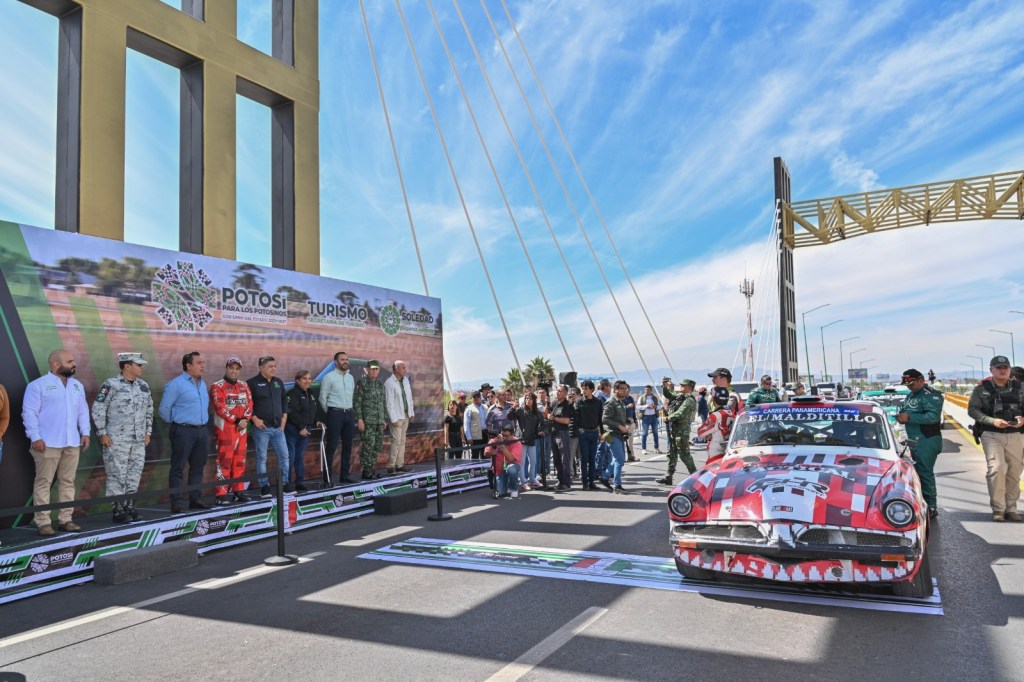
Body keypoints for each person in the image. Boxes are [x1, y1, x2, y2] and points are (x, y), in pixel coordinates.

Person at [23, 350, 90, 535]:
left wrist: (85, 432)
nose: (74, 364)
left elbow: (83, 411)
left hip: (72, 442)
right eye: (70, 361)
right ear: (56, 364)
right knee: (44, 482)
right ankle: (43, 522)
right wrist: (35, 437)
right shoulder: (38, 386)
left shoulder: (77, 386)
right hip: (47, 443)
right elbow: (29, 413)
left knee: (68, 481)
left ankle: (66, 519)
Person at [92, 352, 154, 522]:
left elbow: (149, 411)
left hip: (138, 440)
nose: (141, 368)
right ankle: (118, 510)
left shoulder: (143, 386)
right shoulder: (111, 384)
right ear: (127, 366)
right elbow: (98, 409)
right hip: (116, 440)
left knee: (134, 474)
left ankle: (129, 506)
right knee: (117, 474)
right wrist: (102, 433)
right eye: (138, 365)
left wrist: (148, 432)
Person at [967, 356, 1024, 522]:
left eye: (1005, 367)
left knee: (1014, 473)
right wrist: (992, 421)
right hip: (991, 434)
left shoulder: (1020, 388)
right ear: (991, 369)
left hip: (1015, 434)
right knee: (997, 468)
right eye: (998, 367)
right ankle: (999, 509)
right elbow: (973, 410)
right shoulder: (981, 389)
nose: (1002, 370)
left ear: (1009, 369)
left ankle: (1011, 508)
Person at [159, 351, 211, 513]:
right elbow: (164, 410)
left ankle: (195, 499)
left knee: (197, 468)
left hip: (201, 431)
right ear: (188, 366)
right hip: (183, 431)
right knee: (178, 468)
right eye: (199, 363)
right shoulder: (176, 384)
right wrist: (178, 422)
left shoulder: (202, 383)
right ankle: (177, 503)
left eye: (203, 362)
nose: (203, 366)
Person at [896, 368, 945, 519]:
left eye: (911, 383)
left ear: (921, 380)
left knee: (925, 473)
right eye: (907, 384)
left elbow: (933, 417)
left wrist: (909, 418)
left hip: (927, 439)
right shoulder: (911, 395)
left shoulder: (932, 396)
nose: (908, 386)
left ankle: (931, 507)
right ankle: (921, 503)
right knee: (916, 473)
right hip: (914, 440)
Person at [210, 356, 253, 505]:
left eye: (237, 368)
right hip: (225, 430)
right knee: (224, 462)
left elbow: (250, 404)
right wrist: (237, 420)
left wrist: (245, 420)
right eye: (231, 368)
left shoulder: (244, 385)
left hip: (242, 429)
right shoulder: (217, 386)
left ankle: (238, 491)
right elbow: (220, 407)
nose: (234, 371)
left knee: (240, 462)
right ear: (226, 368)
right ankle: (220, 494)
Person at [247, 355, 290, 495]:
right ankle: (264, 487)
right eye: (270, 366)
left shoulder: (278, 382)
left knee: (284, 456)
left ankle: (284, 484)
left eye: (275, 366)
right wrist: (254, 418)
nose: (274, 369)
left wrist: (284, 416)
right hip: (262, 429)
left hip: (278, 428)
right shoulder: (252, 383)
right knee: (262, 458)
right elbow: (247, 404)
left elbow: (284, 400)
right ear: (261, 367)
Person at [319, 351, 356, 485]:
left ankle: (344, 475)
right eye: (342, 359)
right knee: (332, 446)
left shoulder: (350, 378)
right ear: (336, 362)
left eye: (347, 359)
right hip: (335, 414)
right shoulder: (329, 377)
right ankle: (327, 478)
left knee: (348, 446)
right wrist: (331, 412)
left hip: (349, 414)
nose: (345, 361)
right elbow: (322, 398)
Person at [285, 369, 319, 492]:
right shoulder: (293, 393)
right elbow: (292, 412)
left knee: (299, 456)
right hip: (293, 429)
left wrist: (316, 421)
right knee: (290, 457)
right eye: (304, 379)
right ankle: (286, 483)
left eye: (309, 378)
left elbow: (311, 410)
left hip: (306, 429)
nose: (308, 381)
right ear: (297, 380)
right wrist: (301, 427)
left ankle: (299, 482)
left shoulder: (311, 393)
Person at [658, 379, 698, 485]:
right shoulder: (681, 397)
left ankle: (696, 477)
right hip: (674, 430)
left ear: (689, 387)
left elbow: (680, 413)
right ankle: (669, 476)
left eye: (683, 385)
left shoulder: (689, 400)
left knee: (684, 455)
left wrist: (668, 418)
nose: (680, 386)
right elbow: (669, 395)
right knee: (671, 453)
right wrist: (664, 386)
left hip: (681, 431)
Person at [354, 359, 388, 479]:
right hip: (367, 421)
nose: (374, 371)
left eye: (376, 369)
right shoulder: (362, 383)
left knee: (377, 445)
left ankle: (371, 468)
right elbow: (357, 402)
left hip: (379, 421)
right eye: (372, 369)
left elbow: (382, 403)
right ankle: (366, 470)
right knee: (368, 445)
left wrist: (384, 419)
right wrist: (360, 419)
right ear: (367, 369)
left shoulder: (380, 384)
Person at [384, 360, 415, 474]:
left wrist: (411, 412)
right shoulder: (389, 383)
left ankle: (399, 464)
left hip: (406, 415)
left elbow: (409, 398)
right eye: (403, 367)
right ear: (396, 369)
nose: (405, 369)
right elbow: (389, 403)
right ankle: (391, 465)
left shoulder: (405, 380)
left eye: (405, 367)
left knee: (402, 441)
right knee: (396, 441)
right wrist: (393, 419)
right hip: (397, 417)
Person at [601, 380, 631, 493]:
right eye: (622, 388)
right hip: (611, 434)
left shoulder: (621, 402)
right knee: (619, 459)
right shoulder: (611, 402)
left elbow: (618, 417)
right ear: (616, 390)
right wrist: (619, 426)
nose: (625, 390)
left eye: (626, 388)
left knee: (618, 460)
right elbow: (605, 419)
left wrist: (628, 421)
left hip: (619, 434)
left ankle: (604, 477)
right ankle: (617, 485)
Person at [575, 380, 603, 490]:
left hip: (594, 432)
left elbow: (601, 419)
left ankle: (592, 482)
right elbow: (575, 418)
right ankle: (584, 483)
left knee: (592, 458)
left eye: (586, 388)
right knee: (584, 458)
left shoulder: (598, 402)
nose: (583, 390)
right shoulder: (579, 402)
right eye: (582, 388)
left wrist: (602, 434)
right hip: (583, 433)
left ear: (591, 390)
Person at [511, 393, 543, 490]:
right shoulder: (520, 410)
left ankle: (532, 479)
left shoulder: (537, 412)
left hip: (531, 439)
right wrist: (513, 408)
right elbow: (509, 416)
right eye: (526, 399)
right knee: (522, 462)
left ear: (534, 400)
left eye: (530, 399)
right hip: (521, 439)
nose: (527, 400)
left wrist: (540, 431)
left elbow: (543, 423)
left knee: (533, 461)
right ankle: (523, 481)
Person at [546, 385, 574, 491]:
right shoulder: (554, 403)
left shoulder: (567, 405)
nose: (557, 392)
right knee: (556, 459)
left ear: (565, 393)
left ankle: (566, 482)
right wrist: (546, 403)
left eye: (560, 391)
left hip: (562, 433)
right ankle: (560, 480)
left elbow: (567, 421)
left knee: (564, 459)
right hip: (553, 432)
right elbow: (547, 414)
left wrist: (554, 418)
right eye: (557, 390)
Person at [484, 425, 522, 498]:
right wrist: (491, 452)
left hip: (511, 465)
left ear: (512, 435)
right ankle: (505, 484)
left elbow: (511, 458)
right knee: (500, 493)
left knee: (512, 470)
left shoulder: (517, 442)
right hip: (499, 470)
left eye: (506, 436)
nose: (504, 437)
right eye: (502, 435)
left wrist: (502, 445)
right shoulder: (495, 440)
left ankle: (514, 489)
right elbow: (486, 454)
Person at [697, 395, 738, 464]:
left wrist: (709, 435)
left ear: (713, 400)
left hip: (716, 453)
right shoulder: (732, 414)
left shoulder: (716, 415)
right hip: (728, 451)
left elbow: (700, 432)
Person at [463, 391, 487, 457]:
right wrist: (469, 437)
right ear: (471, 398)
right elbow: (466, 424)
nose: (476, 398)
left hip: (485, 434)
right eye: (474, 397)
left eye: (478, 396)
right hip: (475, 436)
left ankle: (484, 467)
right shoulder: (469, 409)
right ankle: (475, 468)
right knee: (475, 455)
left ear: (481, 397)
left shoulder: (485, 407)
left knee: (485, 454)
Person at [639, 385, 661, 454]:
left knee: (655, 433)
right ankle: (643, 449)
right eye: (645, 389)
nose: (646, 391)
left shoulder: (654, 398)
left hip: (654, 417)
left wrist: (655, 406)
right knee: (644, 433)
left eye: (648, 389)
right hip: (645, 417)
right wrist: (646, 406)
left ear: (651, 390)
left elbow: (660, 406)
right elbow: (638, 406)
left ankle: (656, 448)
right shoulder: (641, 397)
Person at [622, 388, 638, 462]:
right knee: (622, 441)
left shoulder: (631, 398)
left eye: (627, 390)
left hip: (631, 422)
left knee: (630, 441)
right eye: (625, 390)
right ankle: (622, 457)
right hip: (623, 423)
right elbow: (619, 410)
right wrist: (627, 406)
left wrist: (635, 420)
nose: (626, 391)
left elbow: (633, 411)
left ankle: (631, 456)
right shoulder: (621, 399)